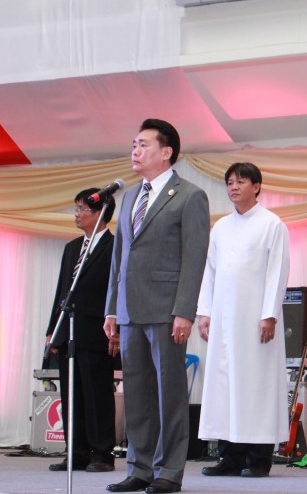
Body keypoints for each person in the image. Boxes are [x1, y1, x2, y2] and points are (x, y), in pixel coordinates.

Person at [103, 119, 210, 494]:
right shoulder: (130, 196)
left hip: (166, 311)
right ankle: (140, 467)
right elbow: (119, 257)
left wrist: (184, 311)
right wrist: (112, 309)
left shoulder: (190, 196)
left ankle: (169, 470)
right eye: (133, 144)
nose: (135, 150)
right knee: (136, 394)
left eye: (143, 144)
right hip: (130, 311)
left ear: (166, 152)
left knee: (169, 396)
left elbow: (194, 258)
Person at [196, 162, 290, 478]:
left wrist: (269, 314)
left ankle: (259, 458)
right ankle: (230, 457)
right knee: (225, 386)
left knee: (256, 386)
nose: (234, 187)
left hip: (256, 322)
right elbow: (209, 272)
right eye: (230, 182)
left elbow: (277, 272)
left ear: (257, 186)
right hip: (224, 321)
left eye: (241, 181)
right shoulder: (221, 227)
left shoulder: (271, 224)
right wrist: (205, 312)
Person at [45, 189, 117, 473]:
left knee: (97, 394)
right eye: (75, 208)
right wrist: (52, 330)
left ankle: (102, 454)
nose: (76, 214)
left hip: (97, 330)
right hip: (68, 329)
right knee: (71, 394)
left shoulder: (115, 247)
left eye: (81, 209)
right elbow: (61, 291)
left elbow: (118, 291)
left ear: (99, 213)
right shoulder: (72, 247)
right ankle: (76, 451)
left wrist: (117, 329)